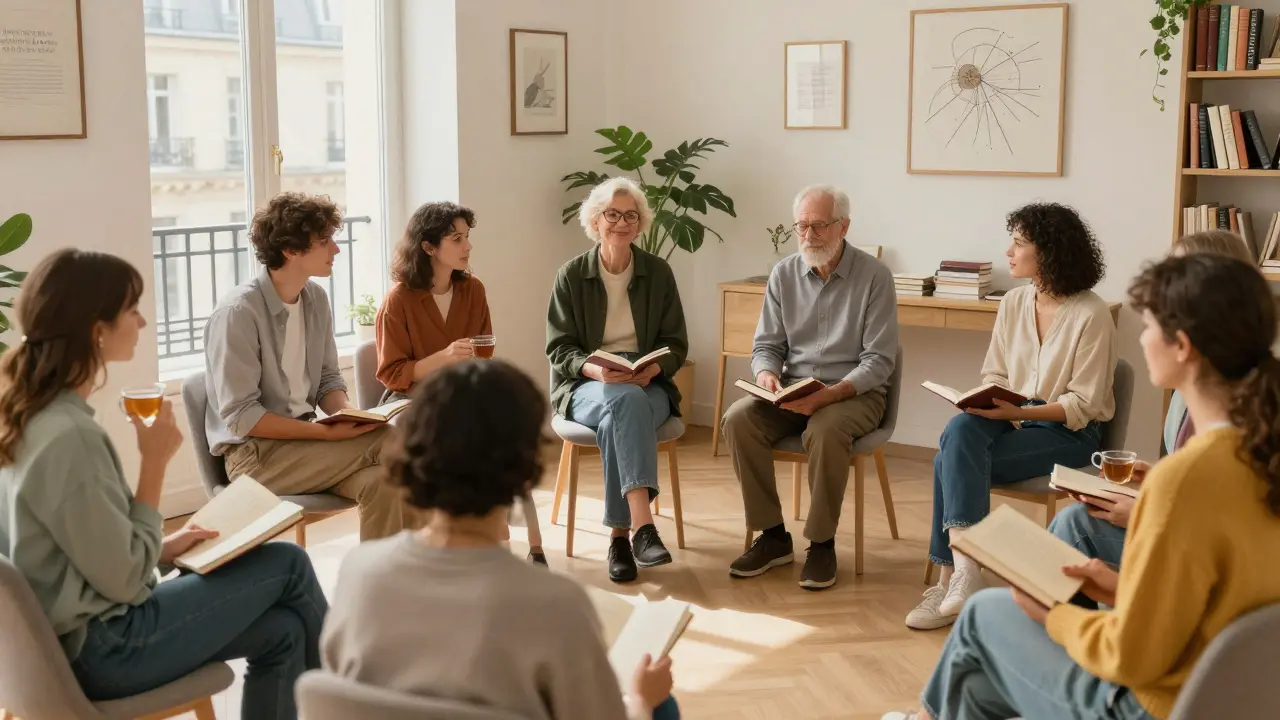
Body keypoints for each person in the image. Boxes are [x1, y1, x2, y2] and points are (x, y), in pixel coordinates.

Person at [882, 253, 1280, 720]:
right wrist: (1114, 588)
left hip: (1152, 705)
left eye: (1149, 327)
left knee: (983, 615)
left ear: (1183, 347)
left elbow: (1129, 657)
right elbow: (1213, 603)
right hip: (1232, 695)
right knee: (979, 676)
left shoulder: (1185, 480)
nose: (1143, 338)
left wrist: (1053, 615)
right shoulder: (1260, 451)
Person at [0, 249, 326, 720]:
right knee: (289, 563)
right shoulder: (70, 438)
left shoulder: (29, 417)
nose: (143, 322)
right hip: (106, 648)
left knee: (283, 630)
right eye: (132, 309)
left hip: (67, 643)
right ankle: (351, 701)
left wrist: (163, 547)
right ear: (97, 330)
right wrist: (153, 465)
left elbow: (79, 550)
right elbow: (125, 581)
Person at [321, 359, 681, 720]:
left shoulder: (358, 573)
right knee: (660, 704)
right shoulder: (558, 605)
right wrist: (640, 700)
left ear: (413, 456)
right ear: (526, 473)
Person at [905, 202, 1116, 630]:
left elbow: (1084, 405)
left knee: (949, 457)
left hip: (1069, 432)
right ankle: (967, 570)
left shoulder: (1092, 314)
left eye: (1019, 243)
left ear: (1050, 251)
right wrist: (988, 401)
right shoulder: (1014, 303)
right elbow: (995, 372)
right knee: (962, 427)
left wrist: (1018, 410)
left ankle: (951, 576)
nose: (1008, 251)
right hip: (1013, 419)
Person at [203, 191, 413, 541]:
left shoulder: (315, 299)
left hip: (310, 447)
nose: (336, 249)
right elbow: (242, 416)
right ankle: (455, 551)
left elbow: (328, 378)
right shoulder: (238, 314)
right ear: (291, 250)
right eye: (325, 240)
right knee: (399, 441)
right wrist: (324, 432)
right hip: (256, 459)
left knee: (384, 481)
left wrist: (348, 415)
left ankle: (375, 589)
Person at [720, 184, 898, 591]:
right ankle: (773, 536)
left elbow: (879, 362)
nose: (809, 236)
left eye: (819, 226)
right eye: (802, 226)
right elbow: (767, 345)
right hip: (794, 389)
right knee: (738, 419)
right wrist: (766, 374)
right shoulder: (784, 274)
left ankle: (821, 542)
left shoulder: (875, 277)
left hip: (855, 393)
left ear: (844, 226)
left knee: (825, 427)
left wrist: (832, 394)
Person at [1049, 229, 1255, 571]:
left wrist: (1146, 512)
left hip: (1202, 562)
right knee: (1073, 523)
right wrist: (1158, 478)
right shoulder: (1195, 393)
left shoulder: (1233, 413)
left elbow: (1231, 523)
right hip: (1190, 542)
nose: (1142, 340)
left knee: (1071, 529)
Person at [375, 200, 545, 564]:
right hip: (412, 401)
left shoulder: (473, 290)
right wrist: (444, 357)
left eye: (467, 237)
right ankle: (443, 544)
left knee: (506, 433)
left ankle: (527, 543)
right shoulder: (399, 300)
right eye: (456, 239)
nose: (467, 247)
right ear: (428, 247)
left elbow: (485, 349)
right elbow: (392, 373)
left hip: (465, 394)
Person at [546, 177, 689, 583]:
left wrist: (654, 368)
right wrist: (596, 369)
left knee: (620, 413)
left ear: (640, 223)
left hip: (649, 385)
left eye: (630, 215)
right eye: (612, 214)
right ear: (596, 220)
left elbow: (676, 343)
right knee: (622, 401)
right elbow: (559, 350)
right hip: (585, 384)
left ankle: (620, 540)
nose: (621, 223)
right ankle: (642, 527)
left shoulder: (658, 273)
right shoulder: (571, 275)